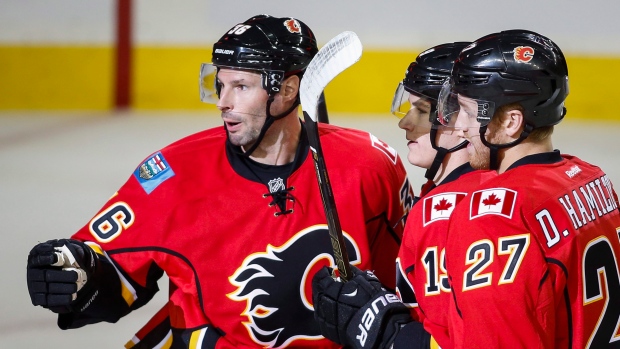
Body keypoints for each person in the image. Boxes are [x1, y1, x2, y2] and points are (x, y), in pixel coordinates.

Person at [26, 14, 414, 348]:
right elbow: (111, 267)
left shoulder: (369, 164)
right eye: (220, 83)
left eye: (241, 86)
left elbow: (413, 280)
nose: (222, 101)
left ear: (288, 90)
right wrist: (79, 274)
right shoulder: (172, 174)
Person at [438, 29, 620, 348]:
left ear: (511, 122)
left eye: (468, 110)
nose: (460, 124)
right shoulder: (593, 179)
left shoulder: (494, 219)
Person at [311, 42, 495, 349]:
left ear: (463, 117)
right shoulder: (482, 187)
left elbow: (455, 338)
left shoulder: (447, 213)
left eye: (422, 111)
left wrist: (384, 330)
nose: (405, 123)